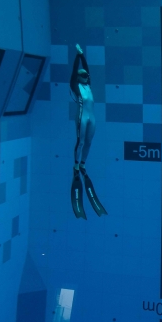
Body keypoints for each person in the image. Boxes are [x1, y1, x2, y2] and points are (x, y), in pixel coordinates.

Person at [69, 44, 106, 218]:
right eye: (83, 75)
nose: (86, 76)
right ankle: (76, 165)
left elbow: (87, 69)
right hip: (82, 117)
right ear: (78, 77)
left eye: (87, 75)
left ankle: (83, 163)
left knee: (89, 142)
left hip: (92, 118)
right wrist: (77, 57)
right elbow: (74, 73)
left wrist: (83, 55)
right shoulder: (76, 86)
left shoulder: (89, 84)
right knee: (81, 141)